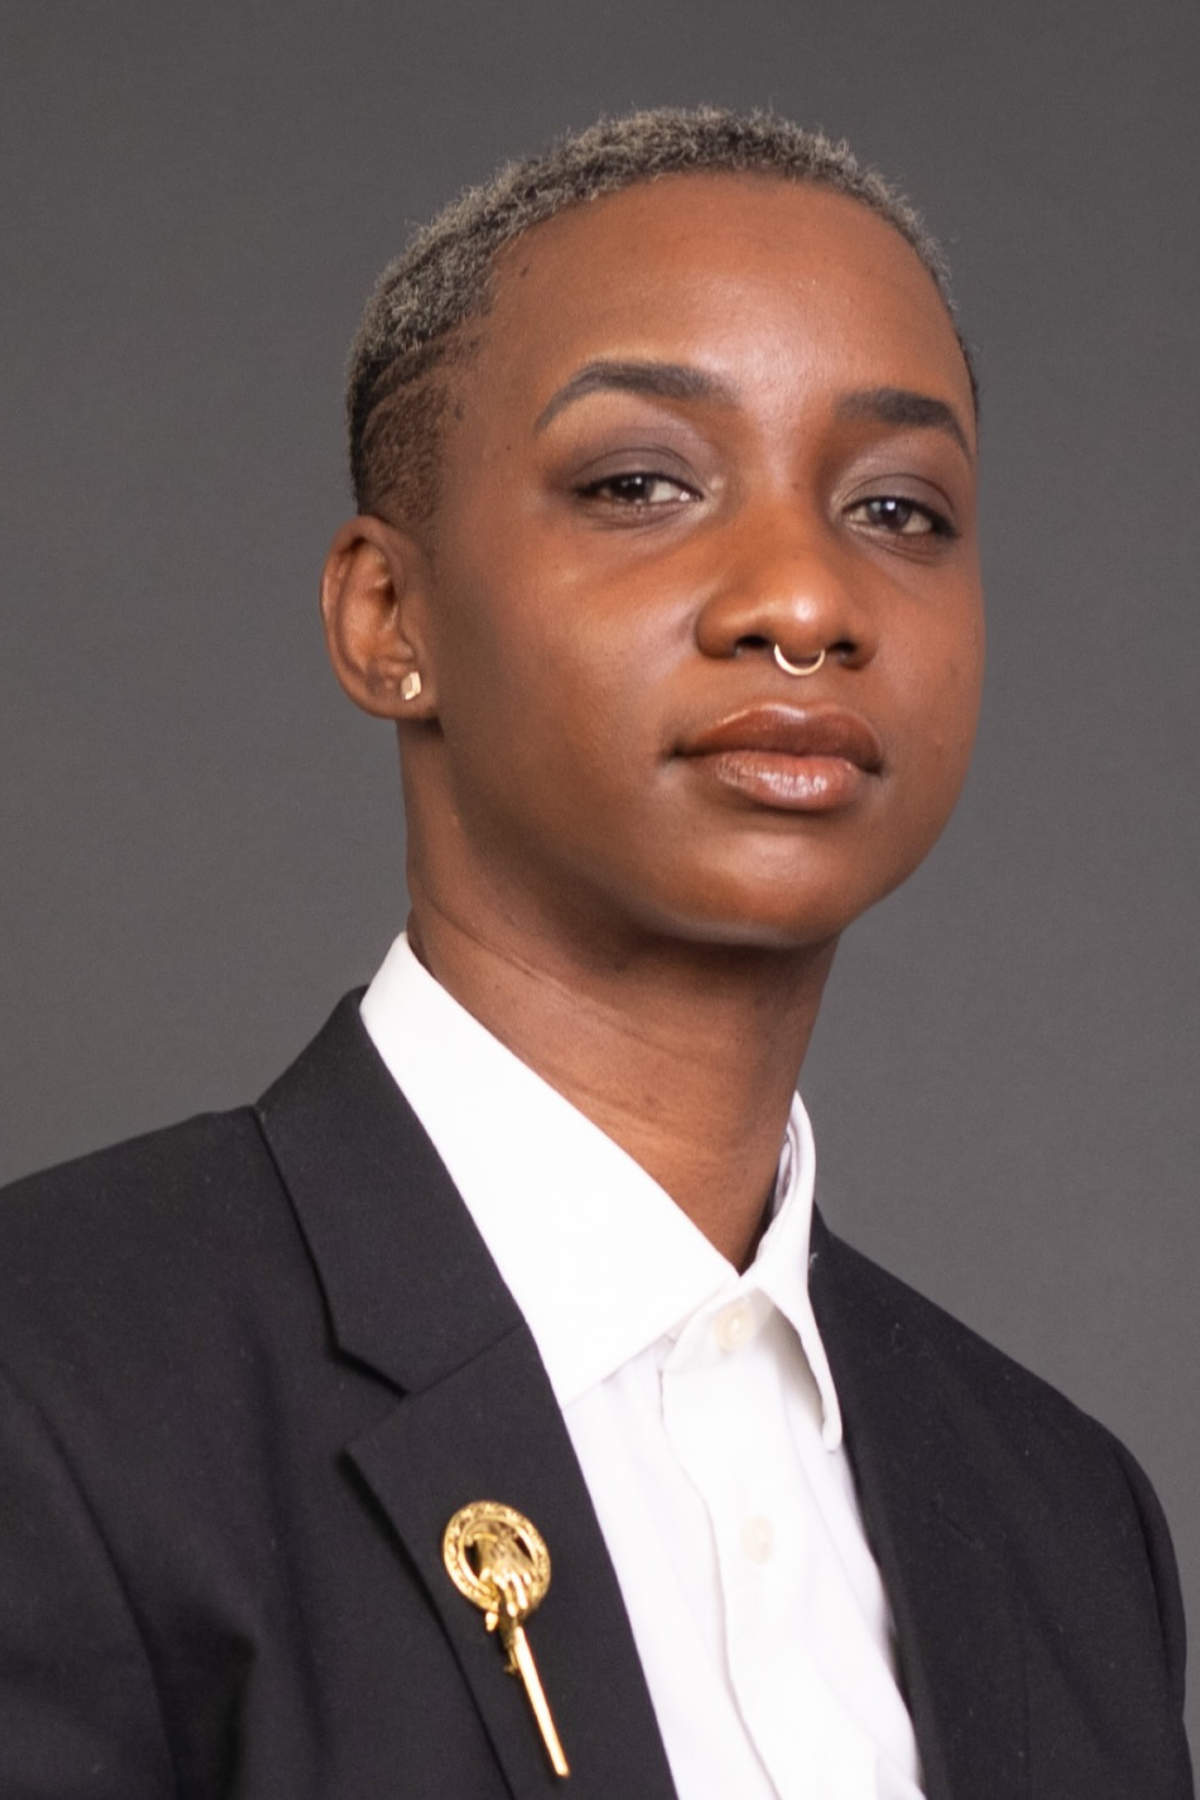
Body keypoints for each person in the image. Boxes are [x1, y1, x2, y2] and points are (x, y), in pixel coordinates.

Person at [0, 108, 1190, 1800]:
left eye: (899, 507)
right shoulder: (58, 1380)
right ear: (388, 618)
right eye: (643, 485)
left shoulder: (1066, 1523)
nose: (805, 598)